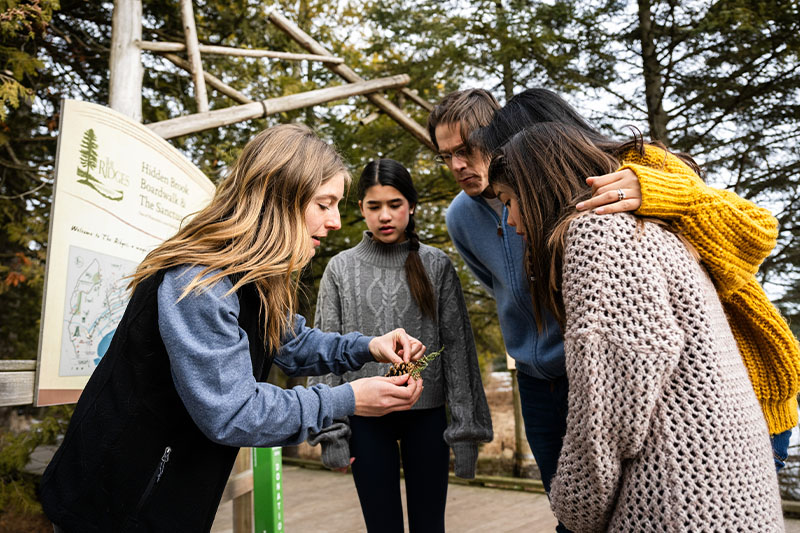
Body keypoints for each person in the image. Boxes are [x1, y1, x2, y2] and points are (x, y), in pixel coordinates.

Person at [39, 124, 427, 533]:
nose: (334, 221)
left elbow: (289, 341)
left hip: (169, 494)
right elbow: (233, 410)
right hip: (115, 502)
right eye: (324, 204)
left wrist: (368, 346)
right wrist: (347, 399)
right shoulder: (199, 282)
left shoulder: (252, 276)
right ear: (279, 198)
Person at [474, 87, 800, 472]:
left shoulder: (635, 164)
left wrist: (659, 191)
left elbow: (758, 231)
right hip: (679, 411)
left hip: (746, 390)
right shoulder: (559, 214)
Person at [307, 159, 492, 533]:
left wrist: (466, 434)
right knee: (382, 526)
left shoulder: (436, 265)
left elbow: (458, 350)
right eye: (374, 207)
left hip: (428, 418)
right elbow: (324, 349)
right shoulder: (340, 269)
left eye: (394, 204)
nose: (385, 216)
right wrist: (331, 435)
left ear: (411, 206)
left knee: (430, 526)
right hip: (365, 418)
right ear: (361, 209)